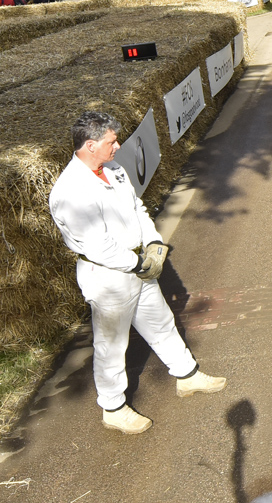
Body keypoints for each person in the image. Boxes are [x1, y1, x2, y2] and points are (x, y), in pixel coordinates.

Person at [48, 111, 226, 434]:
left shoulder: (113, 170)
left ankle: (186, 375)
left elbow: (137, 209)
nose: (117, 147)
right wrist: (137, 263)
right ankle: (113, 408)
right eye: (111, 142)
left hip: (137, 266)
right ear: (90, 145)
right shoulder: (69, 192)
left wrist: (154, 242)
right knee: (112, 345)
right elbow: (96, 245)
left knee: (161, 321)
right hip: (108, 278)